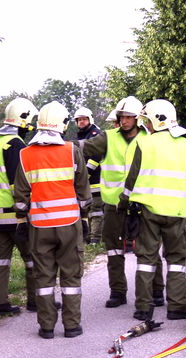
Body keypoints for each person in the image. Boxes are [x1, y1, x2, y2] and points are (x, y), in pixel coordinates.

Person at [76, 96, 166, 308]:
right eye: (121, 117)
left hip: (143, 203)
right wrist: (59, 145)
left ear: (138, 119)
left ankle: (156, 290)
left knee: (149, 249)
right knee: (114, 249)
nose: (124, 121)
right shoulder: (107, 137)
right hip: (114, 205)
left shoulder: (150, 137)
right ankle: (117, 291)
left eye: (129, 117)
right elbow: (84, 147)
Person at [13, 101, 91, 339]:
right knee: (71, 276)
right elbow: (83, 190)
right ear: (62, 125)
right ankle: (72, 326)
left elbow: (20, 196)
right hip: (69, 225)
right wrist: (85, 218)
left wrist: (21, 221)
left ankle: (46, 327)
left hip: (39, 226)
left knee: (44, 277)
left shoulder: (25, 154)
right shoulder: (71, 150)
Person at [119, 99, 186, 321]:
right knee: (177, 262)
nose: (146, 126)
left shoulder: (145, 144)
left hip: (148, 212)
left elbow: (131, 180)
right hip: (177, 213)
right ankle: (177, 307)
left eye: (147, 122)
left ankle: (143, 308)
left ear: (156, 120)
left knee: (145, 259)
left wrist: (123, 204)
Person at [0, 97, 38, 314]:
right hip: (15, 216)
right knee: (33, 258)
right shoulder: (15, 144)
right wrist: (26, 210)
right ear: (23, 119)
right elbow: (19, 183)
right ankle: (37, 301)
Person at [73, 107, 103, 244]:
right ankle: (87, 238)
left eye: (84, 119)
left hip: (95, 180)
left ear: (90, 120)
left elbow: (96, 156)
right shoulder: (82, 135)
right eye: (79, 120)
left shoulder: (95, 134)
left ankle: (95, 239)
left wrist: (85, 174)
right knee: (85, 209)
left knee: (95, 211)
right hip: (85, 181)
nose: (81, 122)